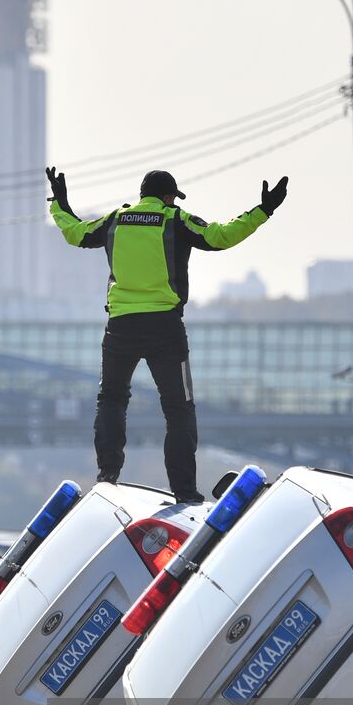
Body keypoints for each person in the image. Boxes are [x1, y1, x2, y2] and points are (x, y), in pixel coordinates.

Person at [45, 165, 288, 503]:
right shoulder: (174, 218)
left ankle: (107, 475)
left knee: (112, 400)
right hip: (165, 329)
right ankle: (185, 491)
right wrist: (263, 210)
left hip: (121, 328)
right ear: (169, 196)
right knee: (179, 409)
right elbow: (220, 237)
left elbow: (75, 233)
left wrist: (59, 203)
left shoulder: (116, 219)